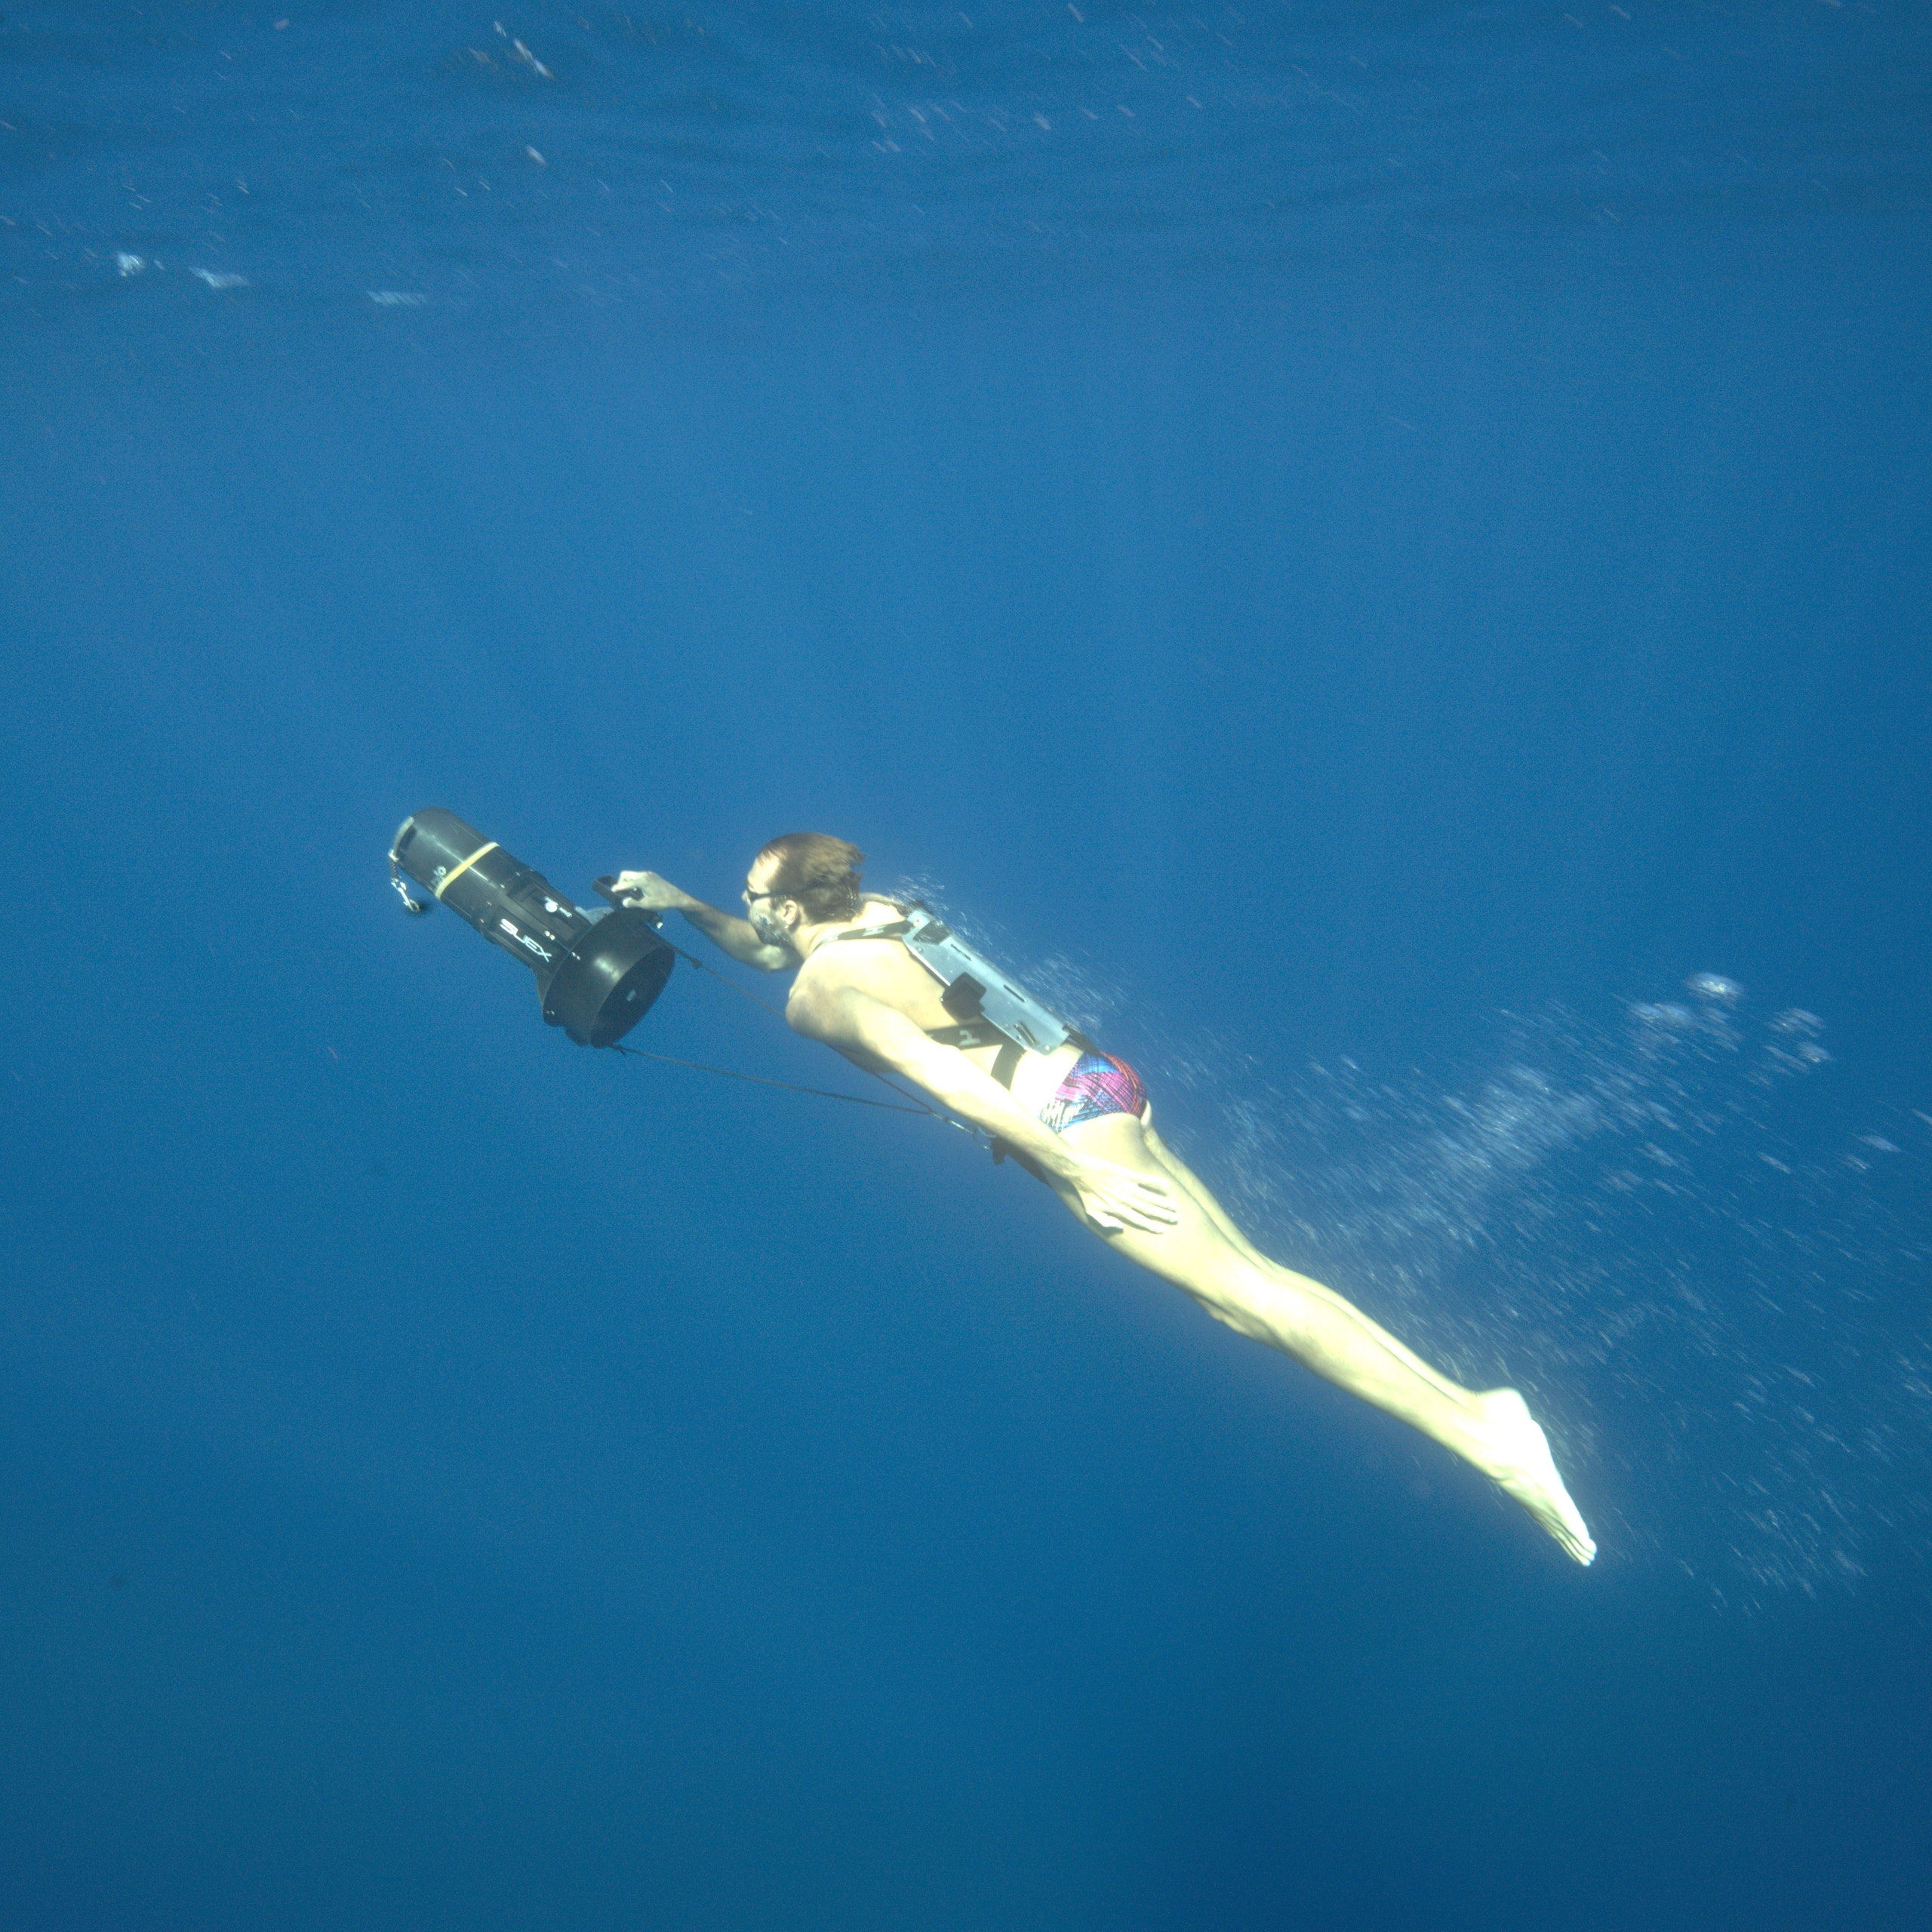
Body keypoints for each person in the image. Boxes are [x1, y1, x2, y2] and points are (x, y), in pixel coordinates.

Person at [611, 832, 1596, 1566]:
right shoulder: (882, 910)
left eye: (754, 896)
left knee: (1254, 1298)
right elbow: (773, 945)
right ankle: (1478, 1411)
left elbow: (938, 1074)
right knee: (1236, 1297)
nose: (752, 911)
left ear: (786, 904)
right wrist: (686, 904)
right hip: (1101, 1080)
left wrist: (1077, 1173)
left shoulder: (817, 1000)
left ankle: (1489, 1437)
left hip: (1068, 1132)